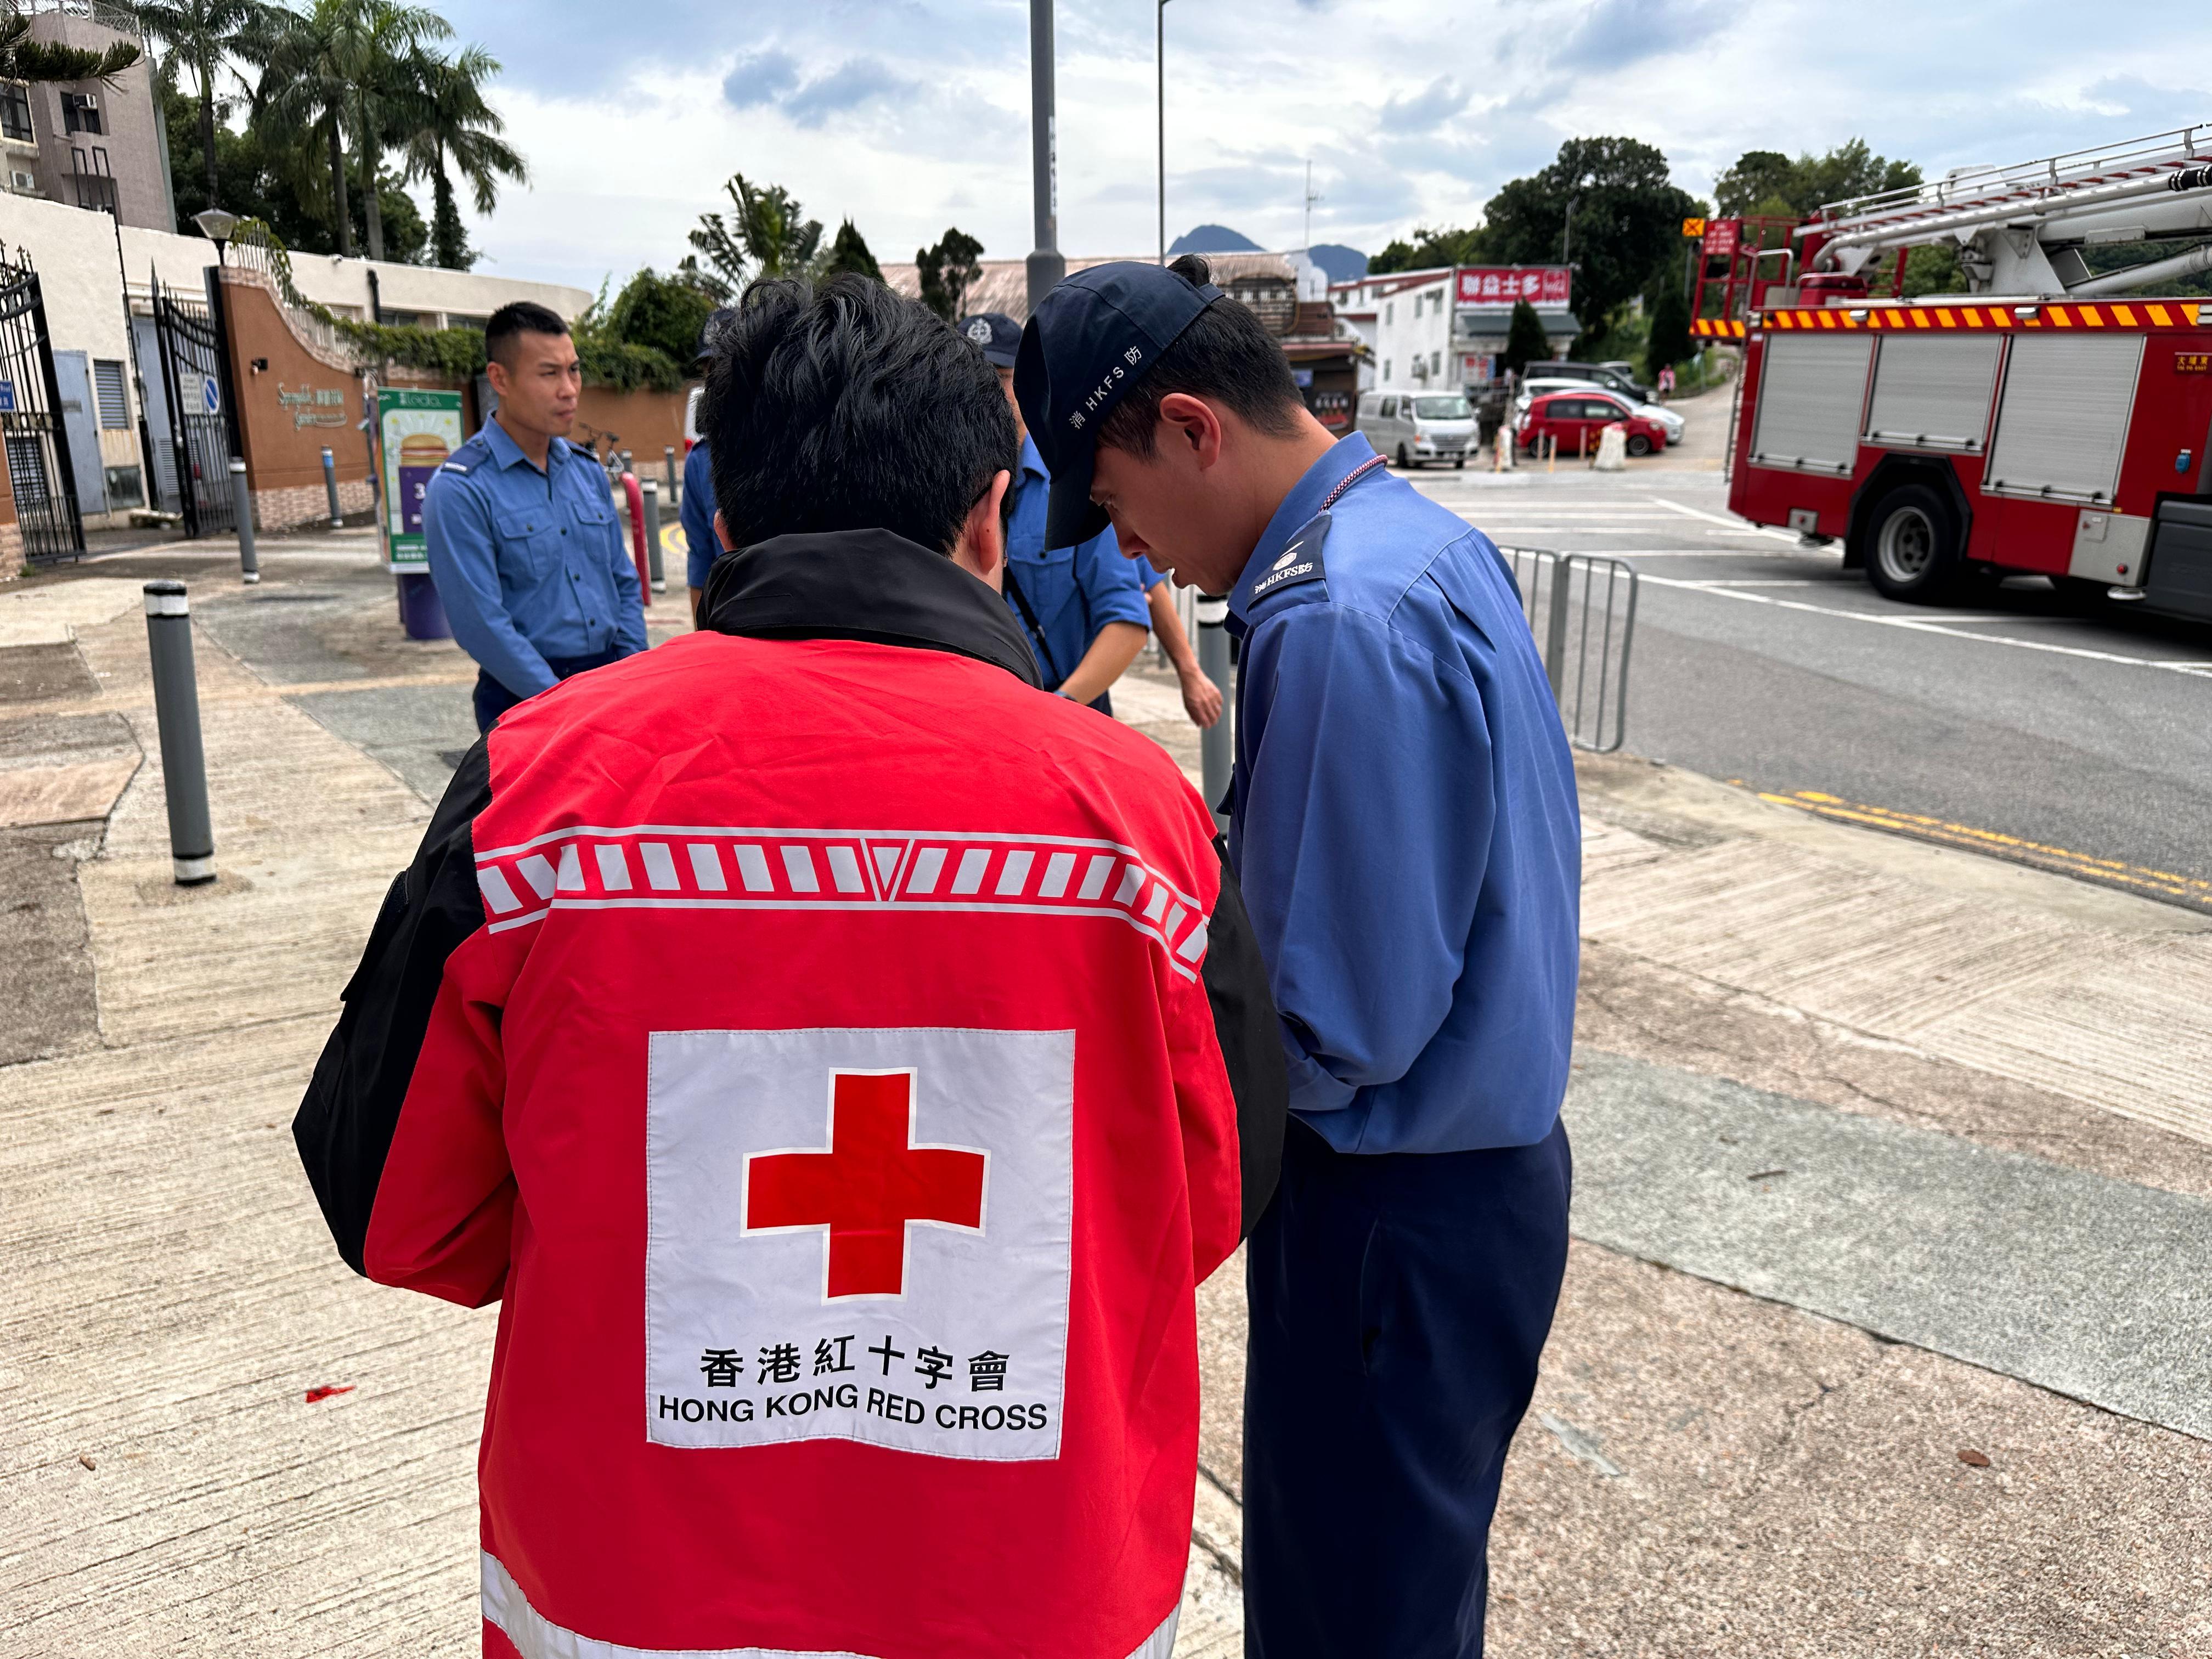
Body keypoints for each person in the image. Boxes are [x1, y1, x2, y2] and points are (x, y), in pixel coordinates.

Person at [294, 273, 1286, 1659]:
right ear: (992, 523)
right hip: (1036, 1594)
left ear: (723, 523)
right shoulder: (1145, 828)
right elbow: (1211, 1196)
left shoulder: (533, 803)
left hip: (629, 1604)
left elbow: (401, 1213)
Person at [1016, 256, 1580, 1658]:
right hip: (1475, 1194)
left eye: (1113, 499)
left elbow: (1335, 1027)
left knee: (1345, 1617)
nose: (1130, 551)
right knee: (1408, 1596)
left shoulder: (1332, 619)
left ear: (1194, 430)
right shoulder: (1421, 545)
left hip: (1384, 1212)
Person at [423, 301, 647, 732]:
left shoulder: (586, 472)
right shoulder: (461, 489)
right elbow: (480, 623)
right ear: (500, 379)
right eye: (549, 373)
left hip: (609, 686)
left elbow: (621, 580)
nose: (569, 389)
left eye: (574, 370)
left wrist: (630, 674)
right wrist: (561, 703)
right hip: (523, 701)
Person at [958, 312, 1155, 716]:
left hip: (1066, 710)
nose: (980, 392)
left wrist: (1056, 711)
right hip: (973, 716)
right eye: (966, 377)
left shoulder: (1073, 487)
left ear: (1030, 386)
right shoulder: (936, 492)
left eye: (998, 378)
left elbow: (1126, 623)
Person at [682, 309, 731, 619]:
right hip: (731, 623)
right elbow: (700, 558)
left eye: (728, 366)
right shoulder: (700, 462)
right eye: (710, 371)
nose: (717, 382)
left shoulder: (795, 447)